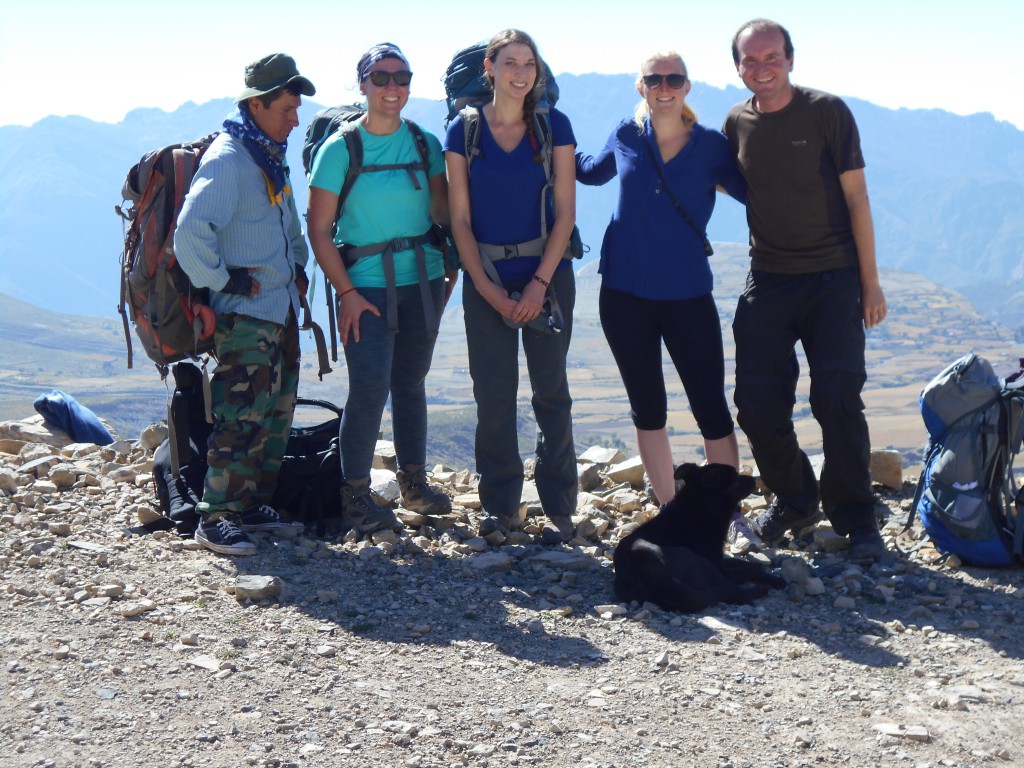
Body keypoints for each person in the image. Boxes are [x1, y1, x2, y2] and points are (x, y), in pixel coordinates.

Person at [723, 19, 889, 558]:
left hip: (833, 276)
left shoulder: (827, 112)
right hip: (768, 278)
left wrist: (870, 283)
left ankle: (856, 516)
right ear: (738, 68)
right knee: (755, 402)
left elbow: (858, 199)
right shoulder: (736, 122)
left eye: (772, 57)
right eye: (751, 60)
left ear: (791, 59)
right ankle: (796, 499)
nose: (762, 68)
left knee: (836, 395)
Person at [576, 51, 745, 506]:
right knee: (647, 409)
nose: (664, 87)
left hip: (688, 294)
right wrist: (551, 136)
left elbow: (758, 194)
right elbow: (591, 173)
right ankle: (670, 509)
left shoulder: (711, 144)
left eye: (674, 78)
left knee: (711, 408)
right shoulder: (628, 132)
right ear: (641, 86)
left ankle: (722, 512)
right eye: (655, 78)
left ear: (688, 87)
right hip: (623, 294)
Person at [307, 43, 452, 534]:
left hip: (425, 279)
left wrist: (449, 271)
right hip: (364, 288)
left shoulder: (424, 143)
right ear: (362, 83)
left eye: (402, 78)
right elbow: (319, 230)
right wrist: (346, 293)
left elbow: (442, 214)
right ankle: (355, 498)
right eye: (382, 77)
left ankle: (414, 483)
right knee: (369, 390)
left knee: (410, 384)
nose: (393, 87)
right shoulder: (339, 149)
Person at [175, 53, 315, 555]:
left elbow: (291, 230)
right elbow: (190, 233)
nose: (295, 119)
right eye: (285, 109)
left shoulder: (267, 158)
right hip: (245, 317)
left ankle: (251, 505)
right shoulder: (230, 158)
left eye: (297, 109)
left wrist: (296, 267)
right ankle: (216, 516)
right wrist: (221, 279)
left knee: (275, 412)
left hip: (279, 312)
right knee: (241, 414)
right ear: (256, 104)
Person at [445, 29, 578, 541]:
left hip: (548, 274)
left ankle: (559, 504)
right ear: (490, 68)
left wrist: (540, 284)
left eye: (529, 64)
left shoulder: (554, 126)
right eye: (510, 63)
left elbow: (565, 214)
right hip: (488, 278)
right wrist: (486, 287)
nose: (521, 73)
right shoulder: (464, 131)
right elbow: (460, 221)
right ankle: (502, 505)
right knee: (494, 394)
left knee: (552, 393)